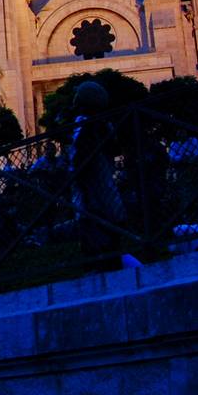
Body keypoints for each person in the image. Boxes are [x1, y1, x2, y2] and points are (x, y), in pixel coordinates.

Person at [65, 80, 129, 263]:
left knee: (95, 247)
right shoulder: (104, 125)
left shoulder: (84, 125)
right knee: (112, 246)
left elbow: (80, 156)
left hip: (90, 198)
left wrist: (73, 175)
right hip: (108, 196)